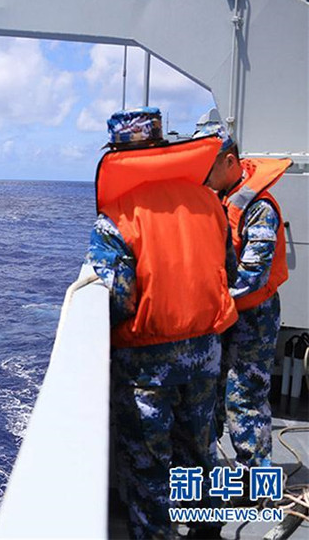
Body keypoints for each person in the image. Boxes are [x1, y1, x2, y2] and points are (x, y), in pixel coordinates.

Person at [85, 108, 238, 539]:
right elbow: (226, 270)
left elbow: (118, 299)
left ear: (116, 154)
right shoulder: (209, 202)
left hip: (146, 365)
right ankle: (208, 532)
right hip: (205, 353)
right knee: (199, 451)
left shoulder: (117, 216)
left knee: (150, 467)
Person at [194, 111, 291, 472]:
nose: (202, 175)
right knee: (212, 393)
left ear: (229, 161)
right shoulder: (219, 196)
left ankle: (257, 481)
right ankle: (210, 472)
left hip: (253, 318)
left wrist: (204, 299)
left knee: (245, 397)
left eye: (208, 165)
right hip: (223, 313)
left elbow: (252, 275)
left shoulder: (259, 209)